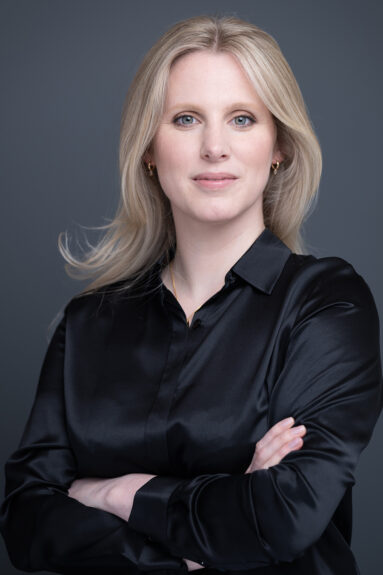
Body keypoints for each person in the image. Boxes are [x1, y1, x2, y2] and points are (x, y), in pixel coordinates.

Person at [0, 14, 382, 575]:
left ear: (278, 147)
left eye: (242, 119)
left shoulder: (327, 303)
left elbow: (284, 516)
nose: (214, 147)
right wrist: (211, 528)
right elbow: (26, 520)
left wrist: (119, 493)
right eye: (185, 119)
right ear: (149, 150)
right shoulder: (87, 323)